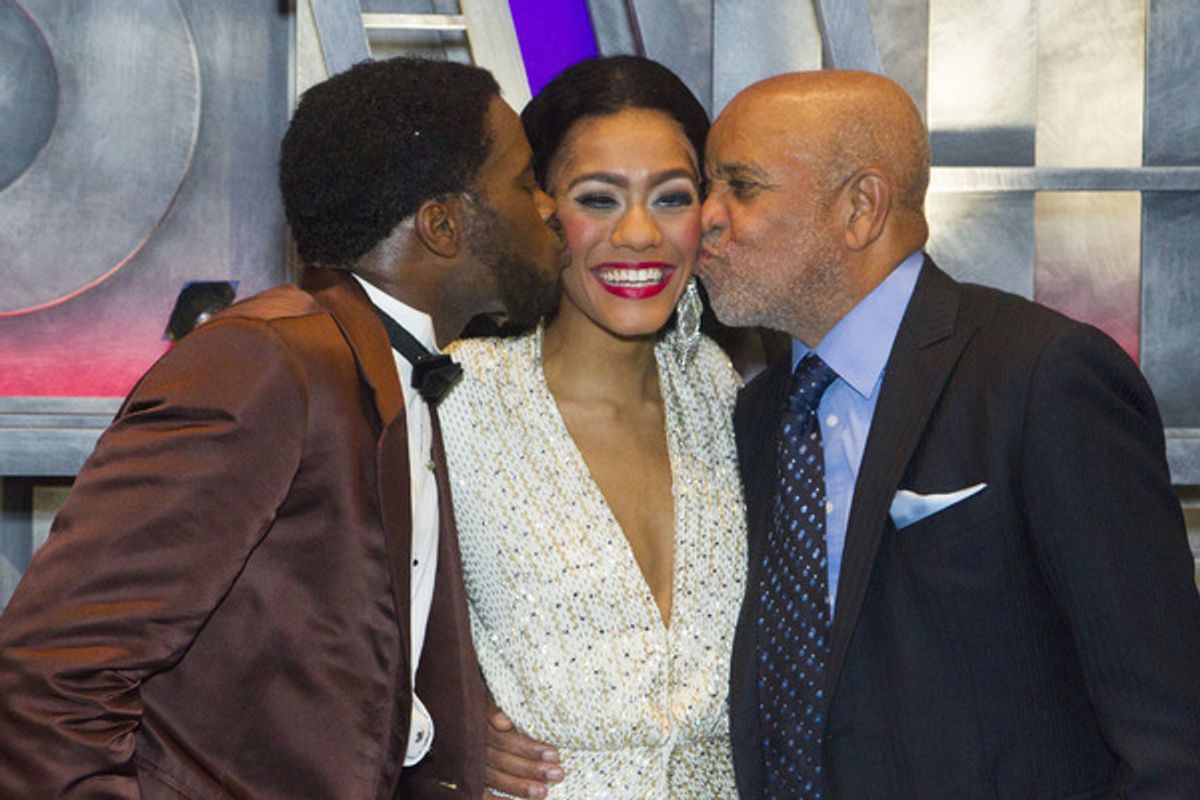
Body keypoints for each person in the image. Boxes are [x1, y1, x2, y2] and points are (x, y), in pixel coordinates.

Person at [0, 56, 565, 799]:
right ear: (441, 224)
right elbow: (51, 673)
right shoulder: (267, 362)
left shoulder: (386, 367)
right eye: (525, 182)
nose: (550, 207)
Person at [698, 69, 1200, 798]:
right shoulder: (763, 409)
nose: (705, 216)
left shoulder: (1041, 376)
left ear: (860, 207)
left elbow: (1167, 730)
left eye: (739, 186)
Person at [437, 55, 747, 799]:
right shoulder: (457, 397)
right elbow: (343, 623)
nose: (639, 234)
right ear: (540, 211)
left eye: (670, 198)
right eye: (598, 199)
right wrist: (443, 729)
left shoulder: (725, 393)